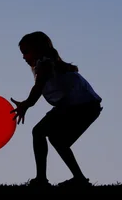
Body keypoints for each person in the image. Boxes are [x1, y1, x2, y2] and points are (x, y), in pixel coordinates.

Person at [10, 31, 103, 187]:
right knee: (57, 139)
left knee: (39, 132)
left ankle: (41, 180)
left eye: (26, 52)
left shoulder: (45, 63)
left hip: (81, 105)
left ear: (38, 49)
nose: (24, 57)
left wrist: (26, 104)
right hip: (85, 105)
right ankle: (79, 179)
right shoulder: (48, 63)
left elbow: (38, 87)